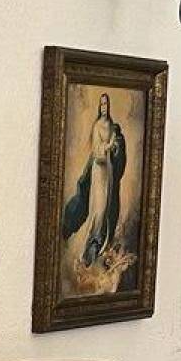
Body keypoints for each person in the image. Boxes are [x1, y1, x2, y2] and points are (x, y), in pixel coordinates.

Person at [61, 93, 129, 267]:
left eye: (106, 104)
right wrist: (109, 145)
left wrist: (116, 146)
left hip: (109, 171)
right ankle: (86, 250)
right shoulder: (97, 126)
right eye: (102, 104)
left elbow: (116, 152)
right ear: (99, 107)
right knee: (97, 209)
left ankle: (99, 246)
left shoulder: (111, 127)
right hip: (98, 171)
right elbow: (97, 151)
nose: (104, 107)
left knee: (106, 209)